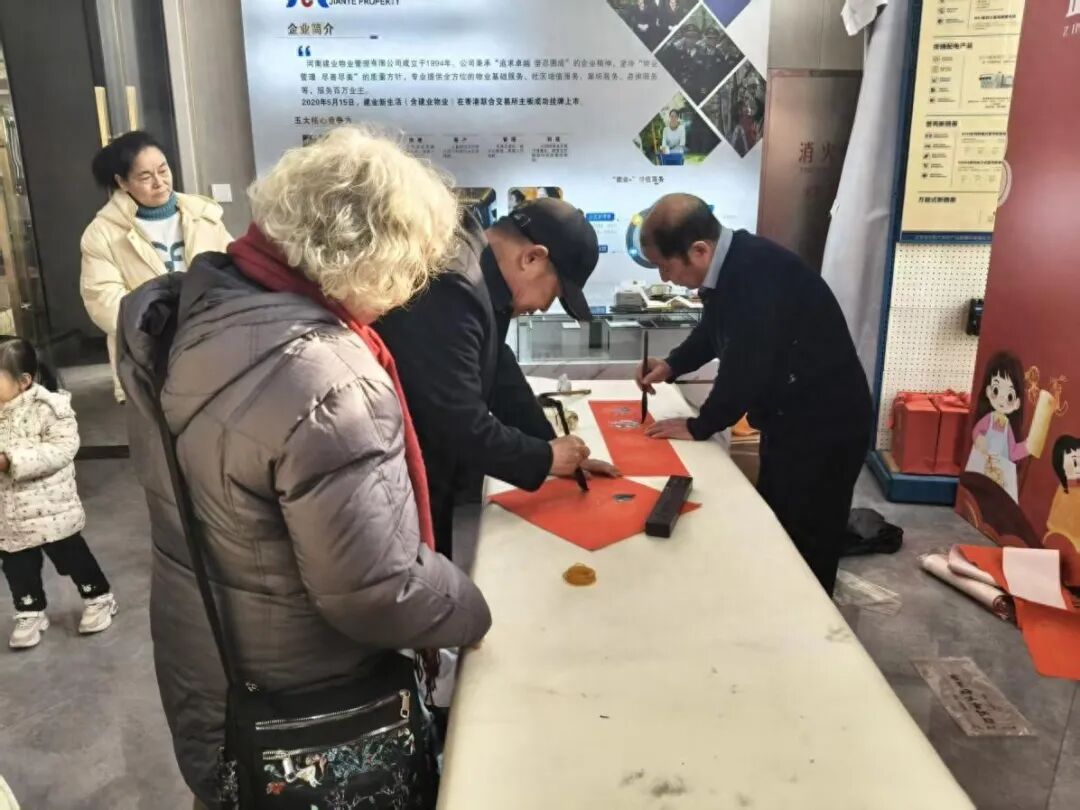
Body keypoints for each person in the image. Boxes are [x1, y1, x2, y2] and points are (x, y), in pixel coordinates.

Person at [116, 127, 491, 809]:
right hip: (307, 716)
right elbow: (376, 589)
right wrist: (473, 608)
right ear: (378, 257)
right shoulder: (327, 381)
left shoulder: (201, 312)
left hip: (217, 673)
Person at [635, 194, 871, 594]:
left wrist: (700, 425)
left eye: (665, 265)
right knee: (779, 526)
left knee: (808, 538)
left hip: (825, 427)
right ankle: (781, 606)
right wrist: (672, 365)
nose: (664, 277)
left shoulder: (755, 275)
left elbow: (746, 367)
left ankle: (811, 623)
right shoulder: (730, 267)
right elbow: (714, 331)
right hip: (790, 420)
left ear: (699, 250)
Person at [375, 197, 619, 559]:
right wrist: (543, 458)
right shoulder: (451, 286)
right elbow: (456, 422)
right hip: (399, 486)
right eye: (554, 293)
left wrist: (552, 449)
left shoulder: (478, 269)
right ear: (532, 258)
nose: (543, 307)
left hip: (428, 470)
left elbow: (497, 366)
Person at [80, 131, 231, 403]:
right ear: (122, 183)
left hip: (214, 344)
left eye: (163, 170)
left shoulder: (204, 216)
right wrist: (163, 323)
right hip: (149, 359)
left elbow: (233, 271)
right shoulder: (102, 233)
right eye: (145, 177)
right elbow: (103, 302)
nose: (159, 182)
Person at [0, 337, 116, 649]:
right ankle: (30, 611)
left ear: (24, 381)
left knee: (71, 556)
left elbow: (61, 450)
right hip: (9, 515)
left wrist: (11, 461)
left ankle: (98, 597)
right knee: (17, 565)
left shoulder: (49, 408)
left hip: (50, 507)